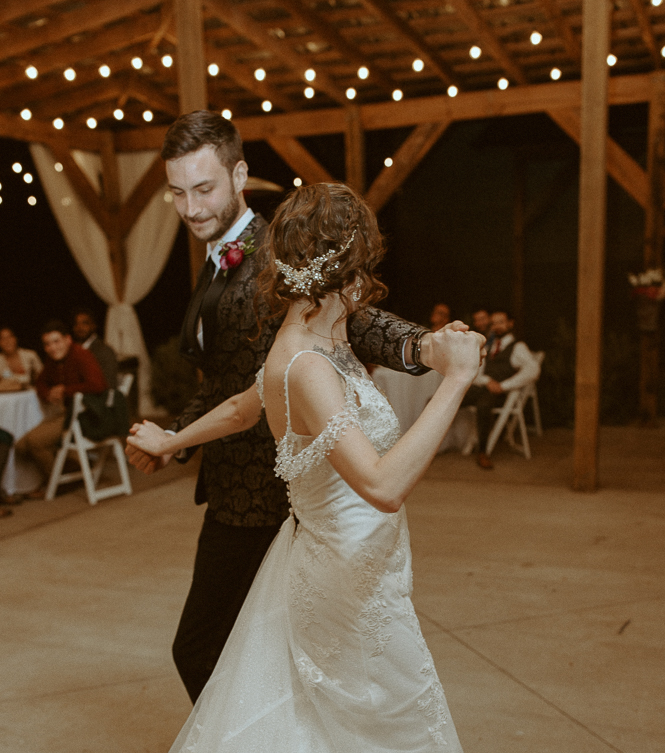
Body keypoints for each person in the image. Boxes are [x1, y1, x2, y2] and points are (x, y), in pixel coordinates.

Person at [24, 182, 538, 753]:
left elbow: (243, 404)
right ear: (345, 271)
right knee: (402, 748)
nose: (369, 288)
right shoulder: (305, 361)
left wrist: (176, 436)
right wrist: (455, 381)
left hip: (345, 574)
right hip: (350, 594)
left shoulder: (309, 342)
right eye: (363, 272)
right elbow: (382, 485)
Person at [126, 110, 459, 705]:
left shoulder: (279, 250)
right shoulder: (216, 258)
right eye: (177, 193)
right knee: (253, 652)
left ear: (239, 175)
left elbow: (355, 318)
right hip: (238, 482)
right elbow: (228, 379)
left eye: (203, 189)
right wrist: (173, 438)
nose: (191, 208)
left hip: (274, 491)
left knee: (208, 648)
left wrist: (422, 346)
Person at [14, 320, 107, 497]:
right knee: (20, 446)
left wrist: (65, 390)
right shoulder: (53, 360)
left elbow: (98, 385)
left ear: (67, 340)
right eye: (47, 344)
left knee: (35, 442)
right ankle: (73, 470)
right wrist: (48, 394)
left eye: (56, 341)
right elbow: (40, 382)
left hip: (85, 416)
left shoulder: (81, 355)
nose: (52, 348)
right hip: (67, 413)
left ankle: (57, 483)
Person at [462, 309, 540, 470]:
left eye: (501, 322)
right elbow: (476, 371)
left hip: (500, 394)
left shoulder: (517, 347)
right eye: (494, 323)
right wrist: (487, 381)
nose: (497, 326)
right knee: (445, 398)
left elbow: (533, 370)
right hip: (483, 388)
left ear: (510, 324)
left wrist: (504, 386)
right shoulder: (489, 345)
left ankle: (482, 452)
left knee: (483, 406)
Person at [70, 307, 118, 389]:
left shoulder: (104, 351)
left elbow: (108, 384)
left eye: (84, 323)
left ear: (93, 326)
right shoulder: (72, 350)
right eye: (76, 324)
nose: (79, 327)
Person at [0, 326, 42, 391]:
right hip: (7, 395)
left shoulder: (30, 356)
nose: (7, 341)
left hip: (32, 394)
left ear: (15, 338)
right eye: (3, 338)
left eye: (9, 337)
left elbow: (43, 378)